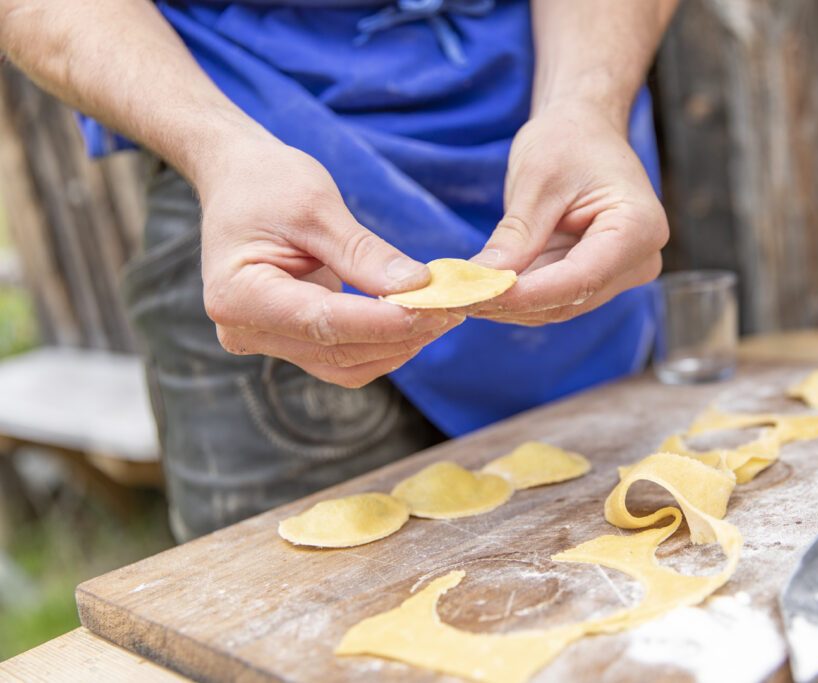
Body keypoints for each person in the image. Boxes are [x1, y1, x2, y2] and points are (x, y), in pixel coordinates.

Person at [0, 0, 675, 541]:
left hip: (568, 167)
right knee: (289, 627)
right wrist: (219, 148)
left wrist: (586, 105)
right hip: (255, 188)